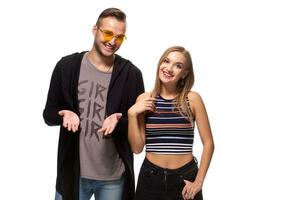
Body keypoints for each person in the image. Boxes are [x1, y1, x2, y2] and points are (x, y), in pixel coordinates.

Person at [43, 8, 144, 200]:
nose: (112, 41)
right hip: (73, 174)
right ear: (94, 30)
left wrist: (120, 121)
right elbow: (48, 114)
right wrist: (64, 114)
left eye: (120, 37)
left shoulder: (132, 74)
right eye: (107, 33)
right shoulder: (66, 66)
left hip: (113, 178)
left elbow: (138, 129)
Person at [128, 46, 214, 200]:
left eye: (178, 65)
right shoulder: (144, 100)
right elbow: (137, 148)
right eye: (166, 61)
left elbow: (208, 143)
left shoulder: (192, 99)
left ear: (185, 73)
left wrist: (198, 182)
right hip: (150, 178)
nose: (169, 68)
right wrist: (132, 114)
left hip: (185, 178)